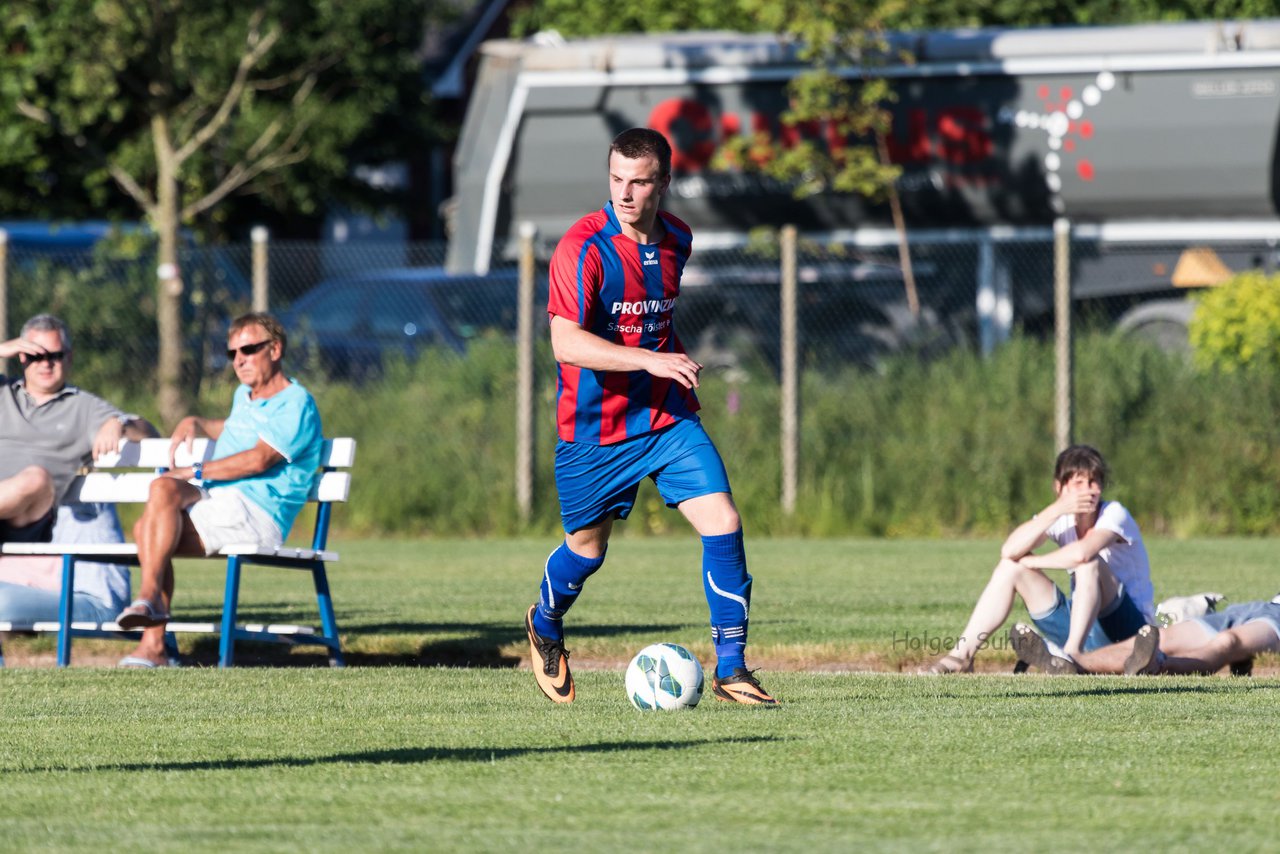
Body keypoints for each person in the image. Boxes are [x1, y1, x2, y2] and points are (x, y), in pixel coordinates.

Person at [523, 127, 776, 705]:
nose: (625, 194)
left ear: (664, 182)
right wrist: (648, 361)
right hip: (595, 430)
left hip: (665, 420)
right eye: (616, 180)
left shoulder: (677, 239)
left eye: (639, 182)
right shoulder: (583, 248)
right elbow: (566, 344)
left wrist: (669, 365)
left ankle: (732, 669)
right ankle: (544, 620)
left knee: (724, 522)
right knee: (587, 550)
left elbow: (652, 320)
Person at [114, 312, 322, 667]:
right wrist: (195, 421)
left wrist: (194, 470)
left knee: (146, 532)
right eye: (232, 354)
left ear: (275, 349)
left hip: (259, 513)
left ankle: (152, 640)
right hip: (220, 500)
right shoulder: (245, 395)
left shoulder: (297, 403)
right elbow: (233, 427)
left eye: (249, 349)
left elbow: (258, 460)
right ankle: (152, 603)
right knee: (162, 490)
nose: (239, 360)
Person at [923, 444, 1153, 673]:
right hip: (1085, 631)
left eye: (1094, 482)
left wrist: (1033, 561)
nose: (1088, 490)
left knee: (1088, 564)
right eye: (1078, 483)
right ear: (1059, 487)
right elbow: (1009, 550)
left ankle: (1072, 656)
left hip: (1132, 634)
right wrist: (1055, 510)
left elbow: (1082, 553)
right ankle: (961, 656)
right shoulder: (1061, 518)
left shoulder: (1114, 513)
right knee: (1009, 568)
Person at [0, 314, 156, 624]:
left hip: (29, 520)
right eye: (35, 355)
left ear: (68, 358)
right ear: (20, 357)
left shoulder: (83, 407)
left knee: (36, 477)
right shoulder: (4, 392)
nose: (46, 363)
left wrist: (120, 422)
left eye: (55, 355)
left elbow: (150, 432)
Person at [1010, 593, 1280, 675]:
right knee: (1162, 637)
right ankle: (1070, 664)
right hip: (1255, 606)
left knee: (1228, 642)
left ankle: (1158, 665)